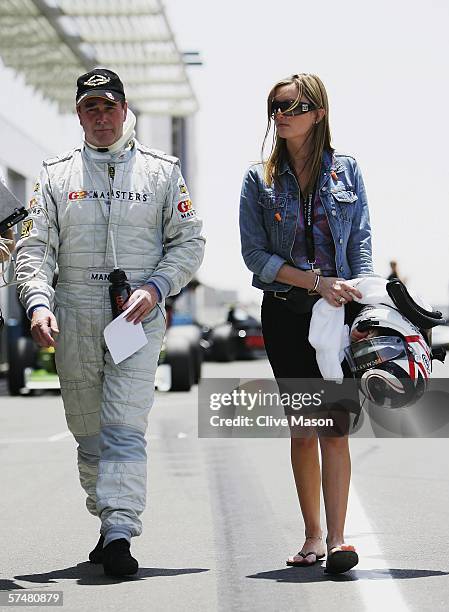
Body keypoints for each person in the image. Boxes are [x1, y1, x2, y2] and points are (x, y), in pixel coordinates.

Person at [16, 68, 205, 577]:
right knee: (88, 434)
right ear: (79, 114)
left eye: (108, 105)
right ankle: (107, 521)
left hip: (135, 316)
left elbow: (189, 242)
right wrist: (38, 302)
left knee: (123, 427)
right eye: (89, 107)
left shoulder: (162, 172)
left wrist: (155, 287)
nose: (100, 116)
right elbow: (33, 248)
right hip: (73, 311)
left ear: (125, 108)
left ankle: (121, 530)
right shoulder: (55, 174)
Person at [239, 73, 373, 574]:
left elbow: (359, 240)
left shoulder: (348, 171)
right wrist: (315, 282)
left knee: (334, 428)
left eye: (292, 106)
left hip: (337, 313)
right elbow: (255, 257)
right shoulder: (259, 178)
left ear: (317, 113)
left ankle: (338, 541)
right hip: (285, 311)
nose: (281, 115)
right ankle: (312, 536)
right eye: (275, 107)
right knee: (303, 429)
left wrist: (360, 296)